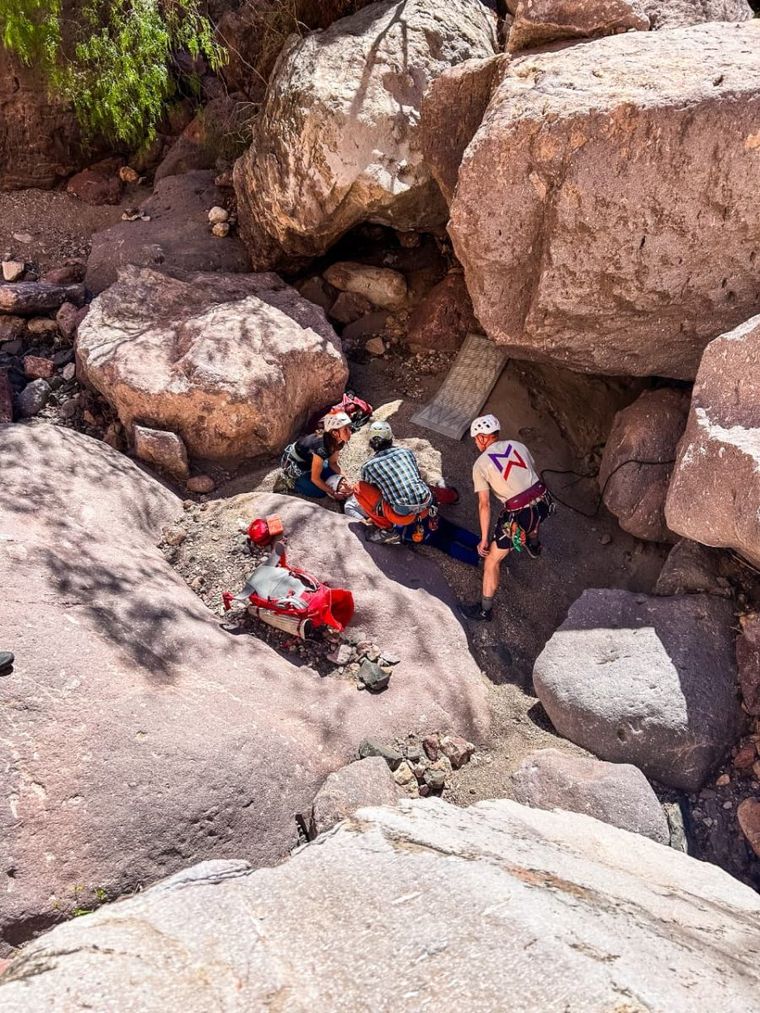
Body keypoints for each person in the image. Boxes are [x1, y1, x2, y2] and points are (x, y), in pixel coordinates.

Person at [460, 414, 554, 621]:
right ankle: (534, 545)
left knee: (492, 560)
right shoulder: (517, 445)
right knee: (534, 521)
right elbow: (531, 471)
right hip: (543, 501)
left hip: (519, 514)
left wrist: (484, 539)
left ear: (484, 438)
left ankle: (485, 610)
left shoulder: (481, 464)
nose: (476, 442)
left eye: (477, 438)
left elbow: (484, 505)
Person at [353, 421, 481, 564]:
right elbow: (415, 477)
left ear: (371, 443)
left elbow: (374, 490)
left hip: (402, 517)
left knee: (358, 488)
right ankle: (482, 546)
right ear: (391, 438)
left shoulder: (368, 467)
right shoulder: (406, 452)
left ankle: (387, 530)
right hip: (427, 505)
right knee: (449, 528)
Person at [279, 410, 353, 499]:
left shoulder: (339, 441)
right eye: (345, 430)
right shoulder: (321, 447)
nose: (350, 432)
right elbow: (315, 479)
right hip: (296, 463)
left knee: (331, 475)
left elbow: (333, 463)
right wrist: (333, 493)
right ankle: (291, 482)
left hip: (311, 460)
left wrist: (347, 480)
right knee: (320, 492)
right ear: (335, 433)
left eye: (349, 428)